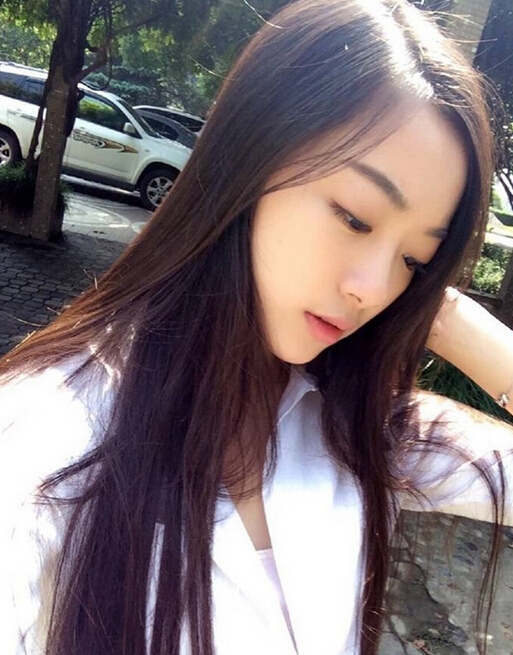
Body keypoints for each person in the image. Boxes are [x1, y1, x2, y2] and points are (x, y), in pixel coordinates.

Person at [1, 0, 513, 654]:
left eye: (414, 259)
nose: (373, 288)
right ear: (250, 161)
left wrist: (446, 314)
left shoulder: (354, 426)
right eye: (354, 217)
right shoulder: (43, 446)